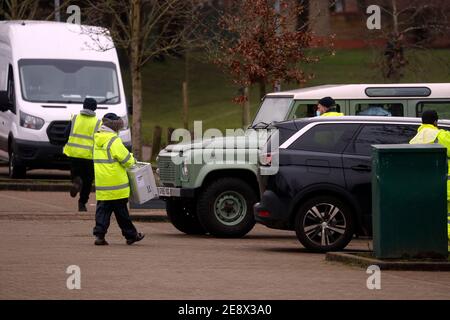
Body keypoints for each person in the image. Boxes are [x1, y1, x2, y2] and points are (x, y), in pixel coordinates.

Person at [92, 113, 144, 246]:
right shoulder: (113, 140)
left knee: (102, 211)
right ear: (115, 126)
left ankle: (99, 235)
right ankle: (131, 235)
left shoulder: (97, 139)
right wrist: (133, 160)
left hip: (102, 183)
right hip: (116, 184)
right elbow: (126, 160)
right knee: (122, 213)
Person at [409, 110, 450, 239]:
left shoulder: (414, 140)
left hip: (424, 186)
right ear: (435, 122)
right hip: (445, 186)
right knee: (447, 218)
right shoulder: (441, 135)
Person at [63, 98, 101, 212]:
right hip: (89, 156)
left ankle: (76, 181)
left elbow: (65, 133)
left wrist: (67, 143)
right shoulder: (98, 122)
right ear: (95, 108)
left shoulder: (75, 118)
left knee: (76, 175)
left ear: (83, 106)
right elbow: (100, 140)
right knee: (88, 181)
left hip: (74, 153)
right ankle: (82, 203)